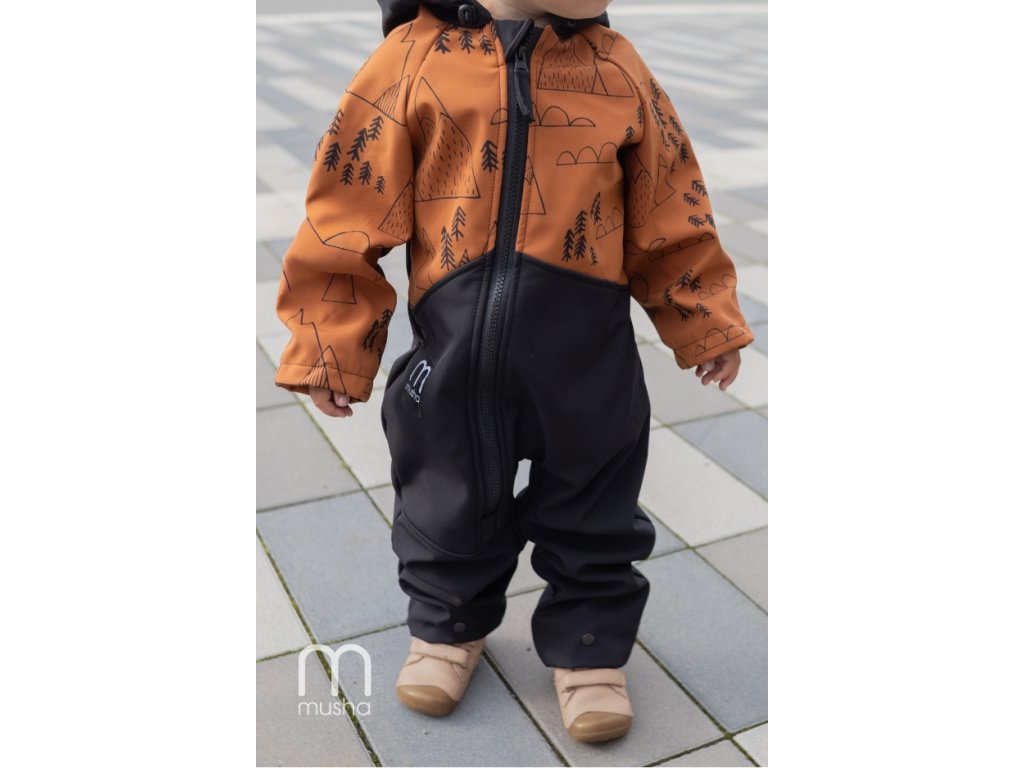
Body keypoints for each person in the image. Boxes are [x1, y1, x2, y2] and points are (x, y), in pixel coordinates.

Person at [271, 0, 753, 743]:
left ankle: (589, 644)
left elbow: (670, 206)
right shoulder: (411, 58)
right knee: (444, 497)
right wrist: (329, 343)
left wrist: (704, 317)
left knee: (596, 506)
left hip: (588, 360)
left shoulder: (616, 67)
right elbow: (347, 206)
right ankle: (447, 626)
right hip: (453, 354)